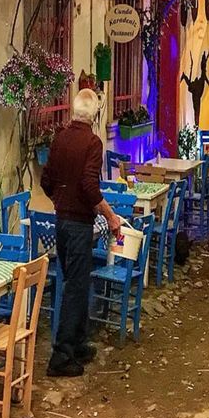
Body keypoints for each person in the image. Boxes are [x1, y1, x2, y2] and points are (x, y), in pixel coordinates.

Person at [42, 88, 121, 377]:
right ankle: (61, 355)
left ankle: (76, 343)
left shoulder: (59, 138)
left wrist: (60, 201)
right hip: (78, 225)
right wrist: (110, 215)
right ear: (95, 114)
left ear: (74, 111)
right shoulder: (92, 143)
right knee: (76, 286)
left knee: (76, 281)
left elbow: (46, 179)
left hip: (61, 221)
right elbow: (89, 186)